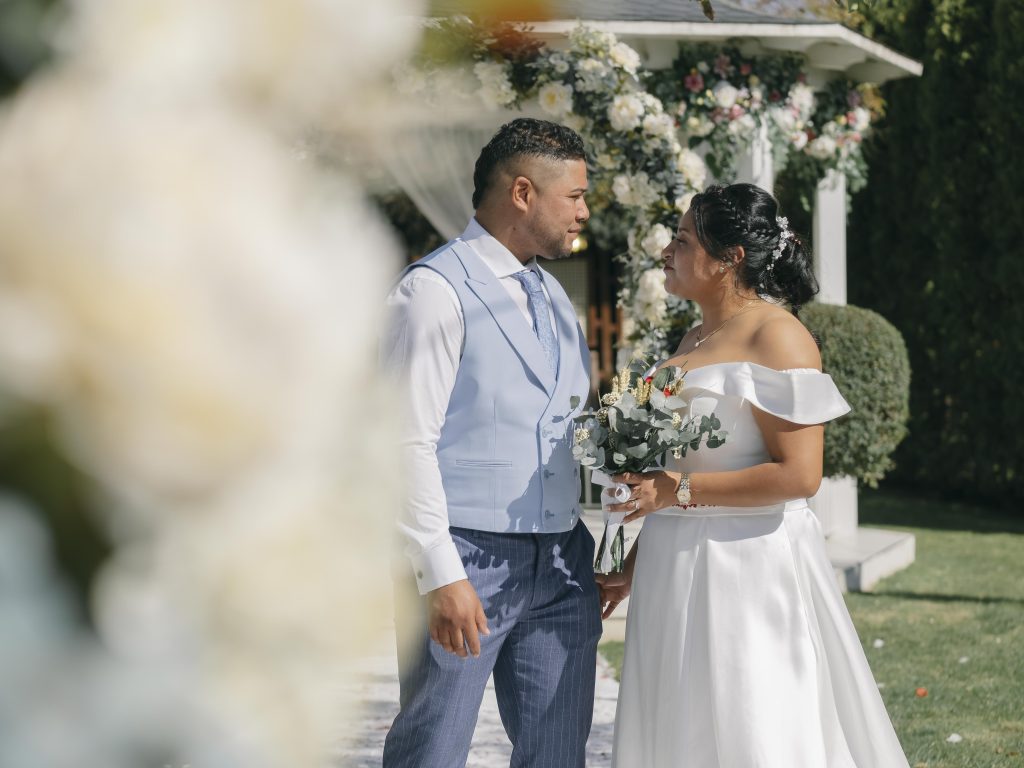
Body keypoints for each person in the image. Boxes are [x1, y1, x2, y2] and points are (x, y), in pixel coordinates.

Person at [600, 183, 909, 767]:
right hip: (673, 563)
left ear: (730, 257)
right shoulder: (692, 337)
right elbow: (679, 472)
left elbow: (799, 476)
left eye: (684, 240)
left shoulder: (779, 336)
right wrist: (633, 567)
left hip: (746, 565)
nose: (667, 251)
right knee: (680, 726)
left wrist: (676, 491)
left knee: (753, 721)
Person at [380, 118, 600, 768]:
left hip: (562, 561)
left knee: (558, 756)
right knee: (433, 752)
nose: (585, 212)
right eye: (576, 196)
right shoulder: (431, 292)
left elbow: (560, 424)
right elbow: (402, 442)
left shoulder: (554, 295)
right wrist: (440, 571)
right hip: (465, 558)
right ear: (524, 193)